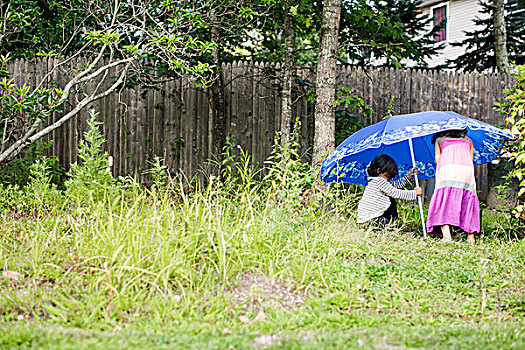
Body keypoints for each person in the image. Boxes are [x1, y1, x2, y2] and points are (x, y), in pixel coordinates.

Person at [426, 129, 480, 244]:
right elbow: (470, 159)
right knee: (467, 200)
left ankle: (447, 237)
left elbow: (437, 160)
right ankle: (470, 237)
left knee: (444, 201)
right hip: (466, 172)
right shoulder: (468, 140)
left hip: (447, 170)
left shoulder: (440, 140)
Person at [357, 154, 422, 226]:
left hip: (366, 219)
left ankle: (390, 224)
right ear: (379, 170)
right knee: (388, 225)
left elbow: (395, 186)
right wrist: (414, 193)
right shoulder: (379, 181)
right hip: (371, 219)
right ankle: (390, 226)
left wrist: (408, 176)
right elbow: (396, 193)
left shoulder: (376, 181)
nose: (390, 179)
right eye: (388, 176)